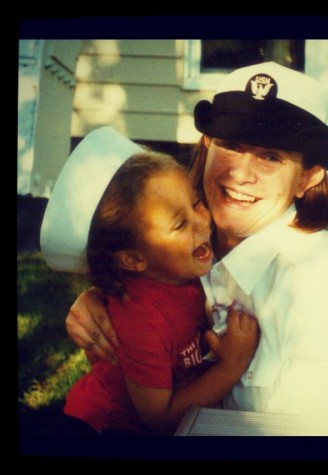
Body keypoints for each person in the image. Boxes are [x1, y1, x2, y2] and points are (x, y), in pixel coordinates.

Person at [64, 62, 328, 427]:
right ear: (206, 145)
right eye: (229, 145)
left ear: (307, 178)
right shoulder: (182, 253)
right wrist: (104, 294)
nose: (239, 174)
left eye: (271, 157)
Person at [40, 126, 259, 435]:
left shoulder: (184, 267)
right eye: (179, 223)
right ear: (133, 260)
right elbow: (161, 417)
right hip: (104, 429)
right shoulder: (141, 321)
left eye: (196, 202)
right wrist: (231, 365)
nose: (201, 221)